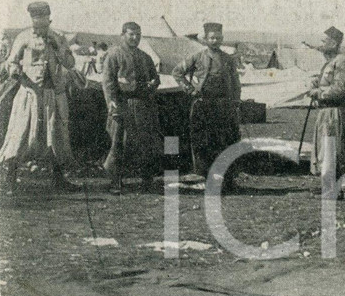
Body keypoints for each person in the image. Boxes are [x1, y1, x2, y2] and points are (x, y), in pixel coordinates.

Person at [0, 1, 79, 193]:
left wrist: (58, 49)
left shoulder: (58, 38)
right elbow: (11, 62)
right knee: (20, 134)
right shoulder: (24, 37)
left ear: (49, 20)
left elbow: (70, 62)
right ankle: (10, 179)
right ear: (32, 20)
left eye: (43, 23)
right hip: (29, 94)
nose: (39, 28)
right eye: (36, 23)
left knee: (55, 135)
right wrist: (16, 72)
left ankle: (58, 179)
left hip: (53, 94)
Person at [172, 22, 242, 189]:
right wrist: (190, 89)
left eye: (218, 38)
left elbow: (236, 82)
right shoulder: (197, 57)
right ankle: (203, 176)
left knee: (225, 140)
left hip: (223, 106)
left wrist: (236, 101)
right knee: (202, 141)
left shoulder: (228, 59)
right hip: (203, 105)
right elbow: (177, 72)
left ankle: (226, 178)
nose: (215, 41)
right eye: (211, 38)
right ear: (205, 39)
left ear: (222, 39)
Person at [100, 21, 163, 194]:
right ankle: (115, 181)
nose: (135, 38)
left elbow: (156, 78)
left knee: (145, 142)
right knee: (118, 142)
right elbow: (107, 82)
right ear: (123, 35)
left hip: (142, 105)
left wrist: (153, 83)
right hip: (122, 104)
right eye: (131, 34)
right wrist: (111, 102)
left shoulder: (145, 57)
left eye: (138, 35)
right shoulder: (114, 55)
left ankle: (146, 180)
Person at [307, 26, 345, 185]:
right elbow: (328, 82)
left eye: (325, 41)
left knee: (333, 152)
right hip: (326, 112)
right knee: (325, 151)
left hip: (334, 113)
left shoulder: (341, 62)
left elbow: (342, 89)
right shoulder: (330, 62)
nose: (322, 44)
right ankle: (328, 187)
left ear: (334, 44)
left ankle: (333, 189)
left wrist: (318, 92)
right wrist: (316, 83)